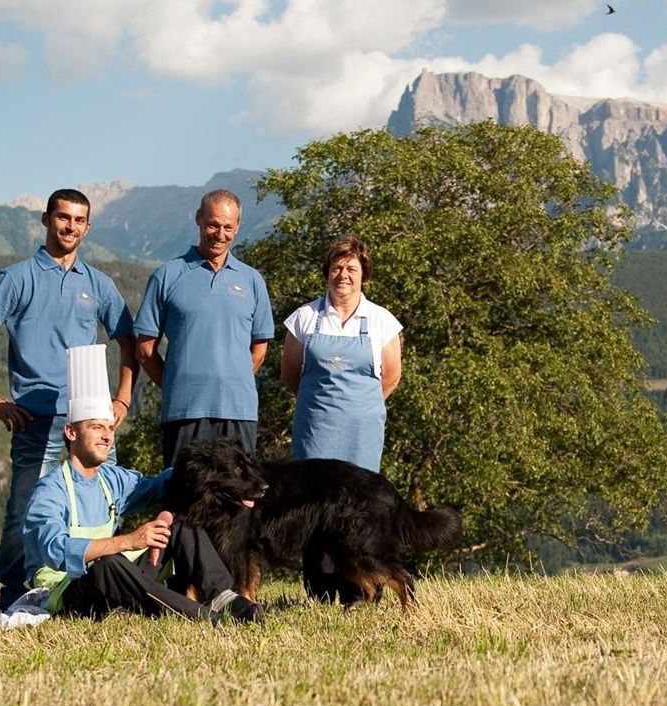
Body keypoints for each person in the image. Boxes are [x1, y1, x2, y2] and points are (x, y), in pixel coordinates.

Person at [0, 188, 138, 611]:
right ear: (46, 219)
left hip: (92, 418)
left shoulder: (98, 283)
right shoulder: (15, 278)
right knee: (26, 509)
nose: (70, 226)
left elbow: (129, 341)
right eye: (63, 217)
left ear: (88, 227)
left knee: (107, 502)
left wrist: (123, 399)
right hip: (35, 418)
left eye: (79, 220)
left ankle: (107, 585)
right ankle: (15, 593)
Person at [20, 347, 260, 622]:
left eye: (110, 428)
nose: (107, 436)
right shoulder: (50, 492)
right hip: (67, 592)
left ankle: (225, 599)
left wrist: (204, 467)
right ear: (71, 432)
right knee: (107, 564)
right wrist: (129, 541)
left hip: (115, 579)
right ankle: (201, 616)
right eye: (97, 427)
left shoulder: (112, 480)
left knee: (181, 522)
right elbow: (55, 550)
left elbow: (161, 485)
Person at [133, 189, 275, 464]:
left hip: (239, 412)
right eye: (213, 225)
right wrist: (176, 385)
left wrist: (231, 382)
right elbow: (145, 350)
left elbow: (259, 350)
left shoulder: (253, 280)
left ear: (237, 227)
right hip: (184, 412)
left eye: (228, 227)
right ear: (198, 218)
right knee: (184, 489)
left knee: (239, 490)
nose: (220, 234)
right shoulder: (167, 275)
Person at [280, 234, 403, 472]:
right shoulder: (304, 317)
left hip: (362, 435)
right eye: (336, 268)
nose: (343, 275)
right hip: (314, 431)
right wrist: (319, 404)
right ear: (327, 273)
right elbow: (290, 374)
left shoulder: (382, 321)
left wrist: (360, 407)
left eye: (351, 269)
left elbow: (391, 377)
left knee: (360, 492)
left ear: (363, 275)